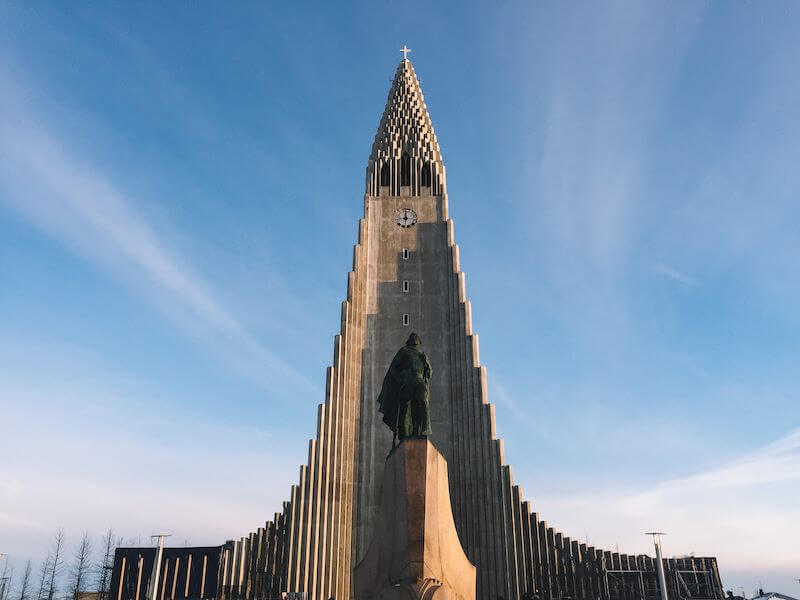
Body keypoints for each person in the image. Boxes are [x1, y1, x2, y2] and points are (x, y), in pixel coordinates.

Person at [376, 332, 433, 448]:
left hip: (420, 381)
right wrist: (399, 379)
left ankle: (424, 429)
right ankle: (404, 434)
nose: (414, 337)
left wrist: (426, 363)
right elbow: (393, 367)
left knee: (423, 401)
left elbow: (429, 374)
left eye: (416, 337)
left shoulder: (422, 354)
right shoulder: (404, 351)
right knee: (405, 408)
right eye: (412, 337)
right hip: (407, 382)